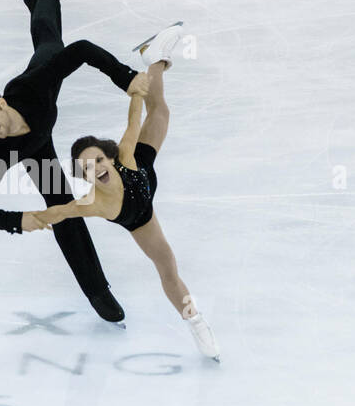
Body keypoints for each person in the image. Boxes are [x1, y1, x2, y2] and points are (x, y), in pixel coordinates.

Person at [0, 0, 150, 324]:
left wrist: (124, 77)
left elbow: (83, 50)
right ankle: (97, 291)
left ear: (1, 102)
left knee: (52, 45)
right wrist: (16, 221)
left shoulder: (31, 87)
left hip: (41, 106)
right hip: (34, 151)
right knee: (62, 206)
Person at [31, 24, 220, 361]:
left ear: (109, 157)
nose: (96, 169)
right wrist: (28, 220)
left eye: (98, 161)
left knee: (159, 110)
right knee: (167, 268)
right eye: (87, 168)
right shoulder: (91, 203)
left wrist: (135, 88)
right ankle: (196, 322)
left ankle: (155, 59)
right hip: (140, 218)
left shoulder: (126, 154)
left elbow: (134, 119)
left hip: (141, 172)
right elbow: (61, 213)